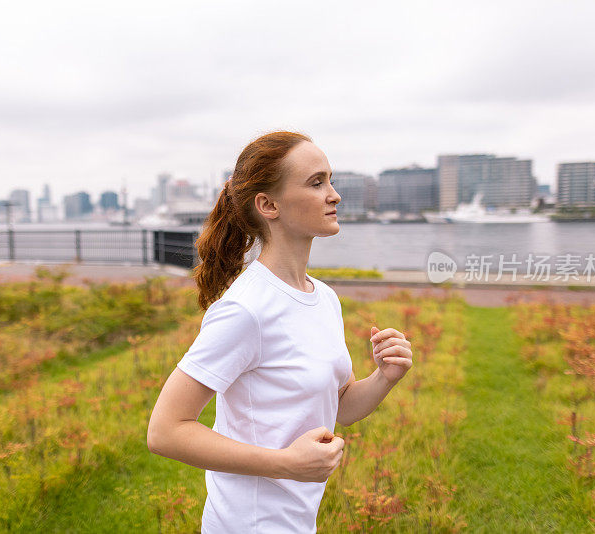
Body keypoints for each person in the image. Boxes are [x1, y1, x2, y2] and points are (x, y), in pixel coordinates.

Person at [146, 130, 413, 533]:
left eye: (330, 179)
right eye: (316, 182)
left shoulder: (322, 298)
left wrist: (384, 377)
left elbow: (336, 407)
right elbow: (165, 431)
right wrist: (286, 464)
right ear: (268, 205)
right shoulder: (245, 309)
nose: (334, 194)